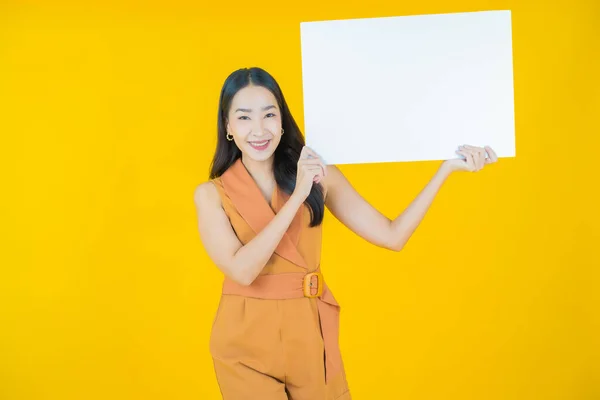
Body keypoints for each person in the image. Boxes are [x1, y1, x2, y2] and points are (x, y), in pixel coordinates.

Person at [194, 67, 498, 400]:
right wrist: (298, 196)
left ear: (282, 120)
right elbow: (242, 270)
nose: (258, 129)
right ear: (228, 126)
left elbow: (392, 236)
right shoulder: (211, 194)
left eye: (269, 114)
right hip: (244, 344)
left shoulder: (322, 176)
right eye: (244, 117)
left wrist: (446, 169)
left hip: (309, 335)